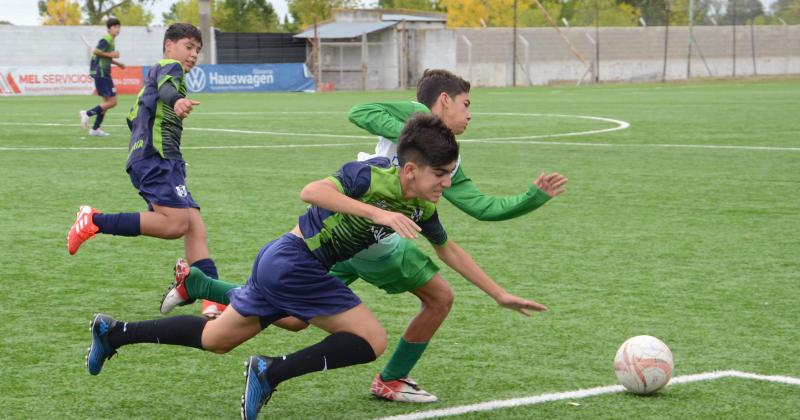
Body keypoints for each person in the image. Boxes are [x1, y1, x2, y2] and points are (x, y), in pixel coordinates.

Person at [85, 114, 548, 419]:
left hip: (282, 264)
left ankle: (115, 332)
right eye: (440, 175)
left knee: (215, 339)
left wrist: (498, 293)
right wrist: (377, 213)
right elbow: (311, 191)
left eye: (449, 176)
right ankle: (269, 372)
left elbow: (450, 251)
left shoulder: (422, 205)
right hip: (295, 261)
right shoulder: (371, 175)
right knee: (371, 339)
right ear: (410, 169)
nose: (446, 184)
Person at [160, 69, 568, 402]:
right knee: (411, 313)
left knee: (276, 323)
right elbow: (359, 116)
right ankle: (379, 378)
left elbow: (466, 225)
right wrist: (412, 136)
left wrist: (501, 286)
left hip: (336, 248)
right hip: (362, 243)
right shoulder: (395, 153)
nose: (469, 114)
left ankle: (194, 288)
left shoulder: (434, 178)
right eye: (466, 105)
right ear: (443, 101)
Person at [68, 23, 222, 317]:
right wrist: (176, 101)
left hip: (163, 160)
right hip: (157, 159)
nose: (193, 55)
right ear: (169, 46)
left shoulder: (154, 77)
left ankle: (210, 297)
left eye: (197, 51)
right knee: (176, 225)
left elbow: (132, 116)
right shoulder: (169, 68)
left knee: (194, 225)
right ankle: (94, 220)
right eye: (188, 47)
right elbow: (166, 90)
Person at [80, 18, 124, 137]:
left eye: (118, 26)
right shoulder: (106, 39)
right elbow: (96, 51)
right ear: (109, 29)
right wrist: (112, 54)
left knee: (106, 103)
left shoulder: (111, 40)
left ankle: (95, 129)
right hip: (102, 73)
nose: (117, 29)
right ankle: (87, 113)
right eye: (114, 27)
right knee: (113, 102)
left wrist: (118, 63)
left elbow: (104, 57)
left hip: (103, 72)